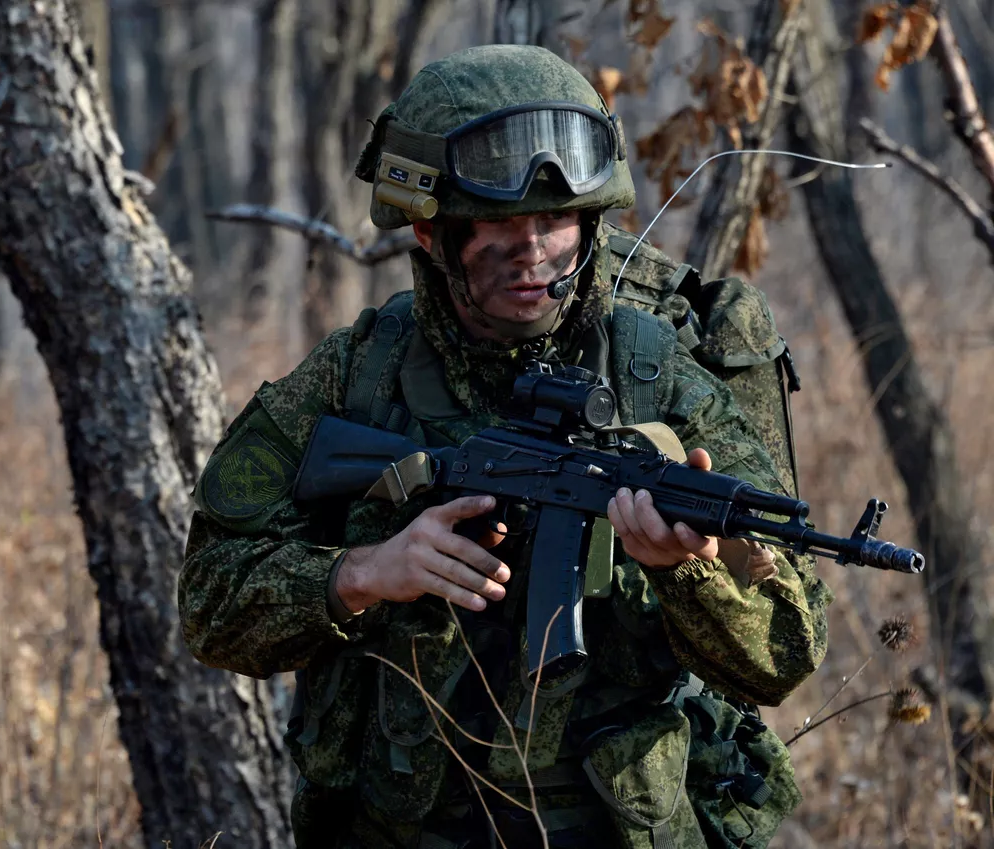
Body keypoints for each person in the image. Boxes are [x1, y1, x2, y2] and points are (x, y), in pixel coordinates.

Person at [179, 44, 832, 849]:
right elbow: (209, 602)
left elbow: (784, 654)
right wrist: (362, 573)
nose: (533, 253)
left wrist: (686, 572)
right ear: (429, 231)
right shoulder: (360, 375)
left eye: (555, 221)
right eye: (498, 225)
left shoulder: (658, 377)